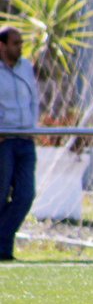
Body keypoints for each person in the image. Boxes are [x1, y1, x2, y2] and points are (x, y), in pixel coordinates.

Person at [0, 27, 40, 262]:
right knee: (1, 193)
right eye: (15, 43)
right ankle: (4, 250)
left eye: (21, 42)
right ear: (2, 45)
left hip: (25, 139)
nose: (20, 47)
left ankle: (2, 240)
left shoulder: (25, 67)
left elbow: (34, 99)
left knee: (25, 195)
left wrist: (32, 126)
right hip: (4, 140)